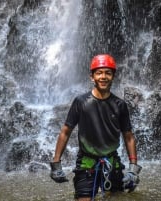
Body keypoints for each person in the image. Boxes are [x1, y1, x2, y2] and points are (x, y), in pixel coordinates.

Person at [50, 54, 142, 201]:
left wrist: (133, 169)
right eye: (99, 73)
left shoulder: (120, 105)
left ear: (113, 76)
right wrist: (56, 163)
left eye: (108, 73)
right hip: (87, 163)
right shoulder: (81, 102)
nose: (103, 77)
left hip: (112, 163)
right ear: (92, 77)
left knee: (117, 197)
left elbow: (128, 136)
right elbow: (65, 132)